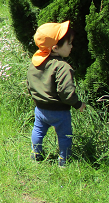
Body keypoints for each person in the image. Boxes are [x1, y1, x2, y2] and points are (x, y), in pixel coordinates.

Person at [27, 20, 86, 167]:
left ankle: (36, 154)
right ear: (55, 48)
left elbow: (30, 85)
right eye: (69, 43)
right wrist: (78, 104)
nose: (72, 46)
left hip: (40, 109)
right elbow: (66, 93)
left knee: (38, 131)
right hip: (60, 112)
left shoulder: (36, 63)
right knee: (64, 136)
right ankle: (64, 161)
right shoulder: (62, 67)